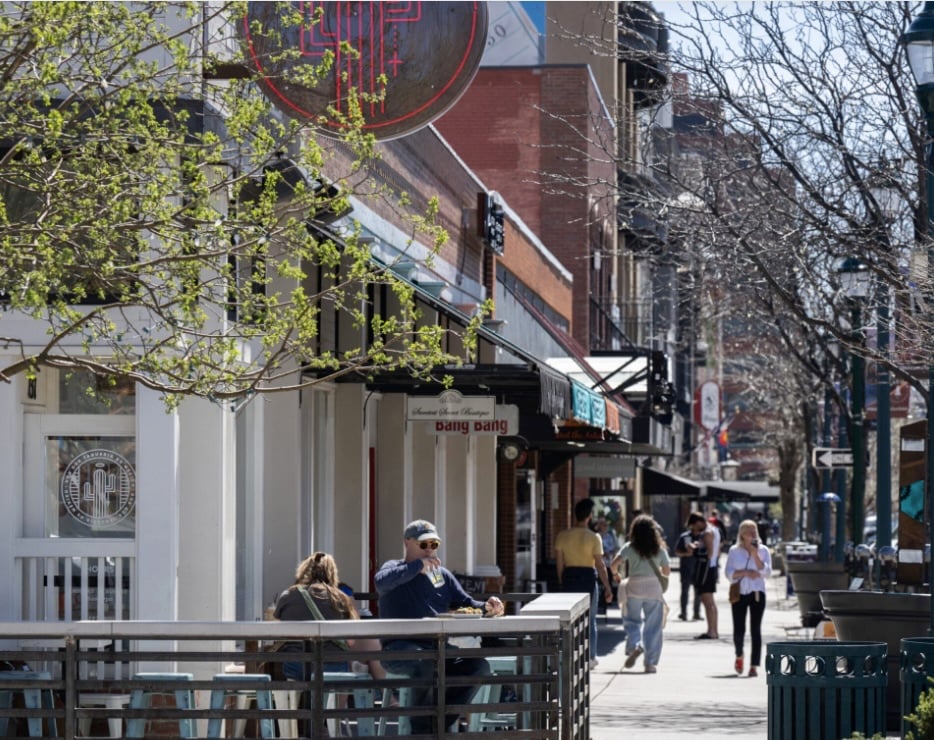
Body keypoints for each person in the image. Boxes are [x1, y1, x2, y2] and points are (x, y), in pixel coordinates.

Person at [375, 519, 504, 734]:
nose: (429, 550)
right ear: (407, 543)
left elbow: (466, 603)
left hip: (437, 648)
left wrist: (488, 607)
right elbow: (381, 582)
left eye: (434, 545)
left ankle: (436, 725)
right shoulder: (393, 568)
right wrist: (417, 567)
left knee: (478, 667)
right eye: (423, 544)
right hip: (399, 649)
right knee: (426, 663)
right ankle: (422, 731)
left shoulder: (441, 575)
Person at [274, 552, 386, 681]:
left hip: (296, 668)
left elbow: (277, 632)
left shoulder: (288, 595)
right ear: (332, 573)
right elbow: (351, 641)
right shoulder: (340, 598)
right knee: (367, 647)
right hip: (333, 668)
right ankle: (382, 690)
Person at [554, 498, 614, 666]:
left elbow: (559, 563)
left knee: (569, 619)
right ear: (589, 516)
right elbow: (600, 565)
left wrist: (561, 580)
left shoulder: (563, 536)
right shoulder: (594, 537)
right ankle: (591, 657)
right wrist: (607, 587)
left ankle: (569, 655)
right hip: (588, 576)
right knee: (590, 619)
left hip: (569, 576)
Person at [611, 514, 671, 673]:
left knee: (632, 621)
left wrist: (616, 575)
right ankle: (650, 664)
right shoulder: (659, 549)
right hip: (653, 589)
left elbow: (613, 564)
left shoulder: (629, 547)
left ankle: (635, 645)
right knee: (654, 627)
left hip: (634, 588)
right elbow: (666, 571)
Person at [725, 519, 772, 677]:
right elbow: (729, 573)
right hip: (740, 592)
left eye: (755, 530)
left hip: (757, 592)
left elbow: (767, 572)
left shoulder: (764, 550)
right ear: (743, 534)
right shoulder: (734, 551)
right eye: (750, 531)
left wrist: (755, 554)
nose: (753, 534)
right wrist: (745, 573)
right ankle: (739, 654)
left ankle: (754, 665)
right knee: (739, 629)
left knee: (755, 629)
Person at [688, 511, 721, 639]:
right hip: (711, 567)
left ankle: (712, 631)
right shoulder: (714, 530)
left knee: (707, 601)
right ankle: (713, 630)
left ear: (698, 522)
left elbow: (709, 554)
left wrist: (695, 550)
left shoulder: (707, 532)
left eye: (694, 526)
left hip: (706, 568)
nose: (694, 530)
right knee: (710, 601)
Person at [674, 523, 702, 622]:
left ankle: (696, 613)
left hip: (698, 568)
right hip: (686, 568)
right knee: (685, 591)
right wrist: (686, 553)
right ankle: (683, 613)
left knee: (698, 592)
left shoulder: (702, 537)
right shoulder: (685, 537)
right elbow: (677, 552)